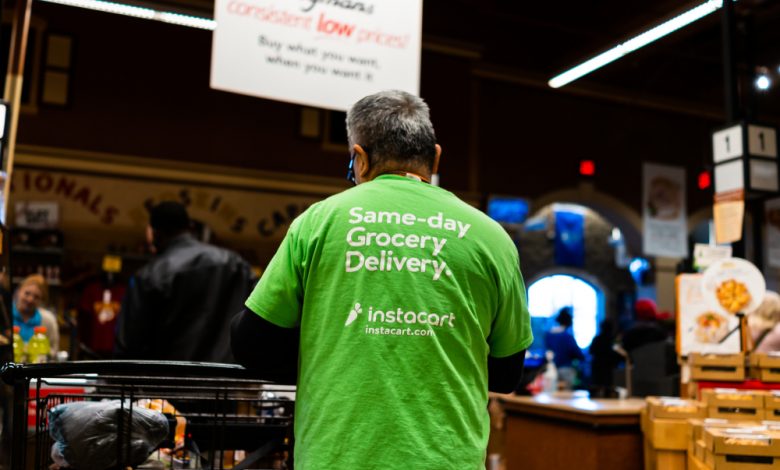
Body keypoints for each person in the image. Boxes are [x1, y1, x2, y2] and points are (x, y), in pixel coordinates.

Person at [231, 90, 533, 469]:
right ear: (435, 157)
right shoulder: (492, 238)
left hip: (336, 457)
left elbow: (251, 344)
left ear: (359, 158)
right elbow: (507, 372)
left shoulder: (320, 221)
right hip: (447, 459)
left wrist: (333, 350)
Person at [115, 201, 255, 362]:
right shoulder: (235, 263)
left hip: (171, 382)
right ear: (189, 227)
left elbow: (128, 345)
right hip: (229, 380)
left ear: (154, 233)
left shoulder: (151, 275)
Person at [12, 274, 59, 355]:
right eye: (27, 293)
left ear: (42, 300)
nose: (30, 299)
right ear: (19, 291)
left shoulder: (48, 320)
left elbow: (54, 351)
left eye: (36, 297)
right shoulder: (5, 313)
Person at [543, 307, 584, 389]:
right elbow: (577, 353)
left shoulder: (549, 335)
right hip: (566, 369)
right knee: (566, 397)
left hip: (550, 369)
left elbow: (547, 351)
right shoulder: (567, 336)